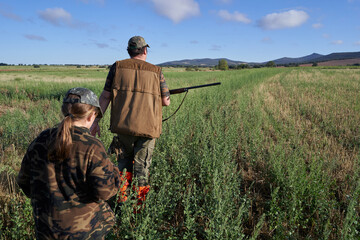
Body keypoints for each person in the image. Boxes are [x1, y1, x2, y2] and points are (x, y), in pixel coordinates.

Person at [17, 87, 121, 240]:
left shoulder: (41, 139)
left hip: (46, 230)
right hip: (85, 232)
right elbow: (105, 192)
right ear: (92, 116)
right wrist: (116, 173)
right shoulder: (92, 147)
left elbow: (24, 182)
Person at [90, 36, 170, 206]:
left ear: (129, 51)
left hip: (122, 128)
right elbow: (166, 101)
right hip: (147, 130)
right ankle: (138, 208)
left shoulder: (117, 67)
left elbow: (105, 96)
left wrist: (95, 121)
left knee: (123, 166)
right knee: (142, 169)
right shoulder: (156, 71)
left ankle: (121, 203)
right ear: (145, 51)